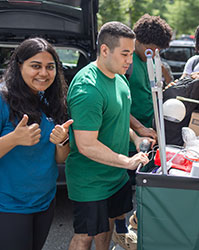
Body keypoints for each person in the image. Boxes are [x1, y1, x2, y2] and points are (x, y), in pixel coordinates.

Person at [66, 21, 149, 250]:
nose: (130, 60)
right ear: (104, 50)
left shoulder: (119, 78)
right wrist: (128, 161)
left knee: (107, 228)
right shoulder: (88, 88)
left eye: (131, 53)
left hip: (115, 177)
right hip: (91, 181)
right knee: (85, 236)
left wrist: (135, 139)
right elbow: (86, 145)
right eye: (125, 54)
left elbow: (118, 119)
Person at [0, 37, 72, 250]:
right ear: (19, 65)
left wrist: (62, 141)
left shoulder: (48, 100)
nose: (43, 73)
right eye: (35, 66)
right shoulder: (3, 100)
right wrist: (14, 139)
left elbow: (60, 158)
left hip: (44, 202)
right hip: (9, 206)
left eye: (50, 67)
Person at [128, 14, 172, 150]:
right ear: (138, 41)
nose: (154, 54)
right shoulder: (126, 62)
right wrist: (140, 128)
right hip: (131, 140)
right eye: (152, 50)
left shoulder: (151, 60)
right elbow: (117, 105)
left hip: (151, 136)